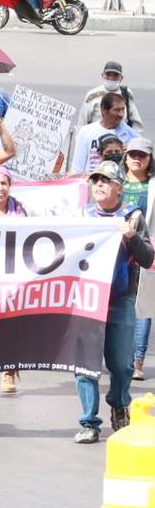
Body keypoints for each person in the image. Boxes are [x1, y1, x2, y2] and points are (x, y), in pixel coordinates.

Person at [73, 161, 154, 443]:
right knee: (84, 365)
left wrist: (132, 237)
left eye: (106, 181)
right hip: (86, 299)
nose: (99, 185)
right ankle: (88, 422)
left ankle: (119, 402)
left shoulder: (132, 216)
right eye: (96, 180)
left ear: (119, 187)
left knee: (121, 363)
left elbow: (147, 259)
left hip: (120, 298)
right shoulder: (81, 216)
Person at [0, 165, 27, 394]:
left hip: (12, 276)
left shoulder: (20, 211)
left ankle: (9, 371)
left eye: (4, 183)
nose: (0, 188)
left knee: (12, 326)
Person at [121, 137, 153, 381]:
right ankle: (117, 354)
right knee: (118, 303)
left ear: (150, 158)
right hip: (116, 252)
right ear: (125, 156)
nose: (137, 158)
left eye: (142, 155)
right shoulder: (114, 183)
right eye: (132, 154)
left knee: (143, 304)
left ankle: (138, 360)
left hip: (146, 251)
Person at [72, 92, 138, 173]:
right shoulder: (86, 132)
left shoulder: (132, 135)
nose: (121, 114)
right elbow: (77, 167)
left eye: (123, 109)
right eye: (116, 110)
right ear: (104, 111)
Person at [78, 61, 145, 133]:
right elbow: (82, 123)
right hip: (96, 138)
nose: (111, 78)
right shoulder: (92, 95)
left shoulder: (126, 93)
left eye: (115, 75)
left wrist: (132, 141)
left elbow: (137, 125)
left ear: (121, 78)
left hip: (121, 140)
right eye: (108, 74)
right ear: (102, 75)